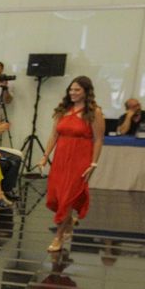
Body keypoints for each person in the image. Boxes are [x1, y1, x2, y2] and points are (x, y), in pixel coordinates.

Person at [44, 76, 105, 253]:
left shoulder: (94, 112)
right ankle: (69, 220)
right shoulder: (63, 110)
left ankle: (59, 237)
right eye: (71, 89)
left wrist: (93, 163)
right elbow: (54, 135)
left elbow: (99, 140)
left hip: (80, 159)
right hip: (61, 159)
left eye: (77, 90)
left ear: (86, 92)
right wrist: (45, 155)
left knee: (68, 198)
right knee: (56, 197)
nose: (73, 92)